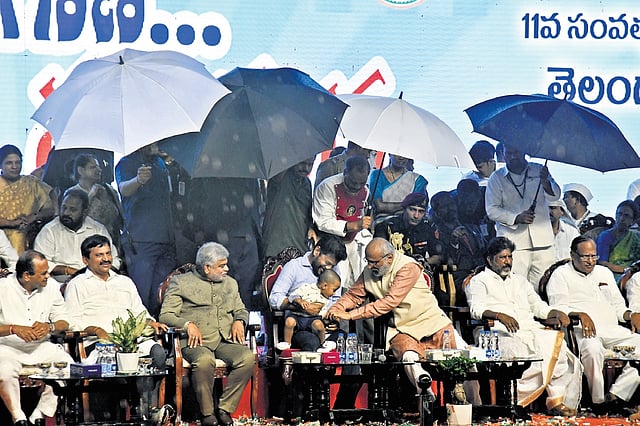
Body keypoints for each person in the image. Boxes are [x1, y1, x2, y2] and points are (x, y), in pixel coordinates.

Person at [465, 237, 583, 415]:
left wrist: (554, 313)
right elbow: (476, 309)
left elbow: (538, 306)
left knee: (558, 348)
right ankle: (511, 400)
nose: (507, 262)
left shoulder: (519, 281)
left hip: (528, 329)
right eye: (502, 257)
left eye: (510, 257)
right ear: (490, 260)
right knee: (517, 351)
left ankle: (555, 402)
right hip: (495, 333)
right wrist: (499, 316)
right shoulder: (479, 281)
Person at [326, 238, 457, 395]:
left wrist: (349, 315)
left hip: (433, 323)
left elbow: (389, 302)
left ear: (389, 257)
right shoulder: (370, 271)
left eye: (374, 262)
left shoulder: (408, 267)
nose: (369, 266)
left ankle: (475, 409)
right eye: (368, 261)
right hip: (402, 329)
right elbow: (353, 295)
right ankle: (426, 398)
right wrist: (334, 311)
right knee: (409, 357)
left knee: (465, 365)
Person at [63, 234, 168, 418]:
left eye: (108, 253)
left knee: (158, 354)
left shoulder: (124, 282)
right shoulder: (77, 285)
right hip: (98, 344)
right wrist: (96, 330)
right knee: (118, 364)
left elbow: (139, 311)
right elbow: (72, 322)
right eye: (99, 255)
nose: (106, 259)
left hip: (130, 340)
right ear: (85, 260)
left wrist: (151, 322)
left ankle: (147, 408)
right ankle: (124, 412)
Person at [159, 242, 254, 426]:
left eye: (226, 264)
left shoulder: (230, 283)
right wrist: (187, 324)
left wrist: (239, 321)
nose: (227, 269)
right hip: (196, 342)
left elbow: (241, 309)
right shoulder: (181, 282)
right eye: (221, 266)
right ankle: (207, 414)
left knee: (247, 358)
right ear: (207, 267)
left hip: (224, 339)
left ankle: (225, 408)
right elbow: (166, 315)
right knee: (204, 361)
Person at [546, 235, 640, 409]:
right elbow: (557, 308)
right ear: (573, 255)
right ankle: (598, 401)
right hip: (584, 333)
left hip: (613, 335)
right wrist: (579, 314)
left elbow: (618, 306)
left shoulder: (604, 273)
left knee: (639, 345)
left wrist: (630, 314)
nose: (590, 261)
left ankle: (616, 394)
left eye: (593, 256)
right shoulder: (561, 275)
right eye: (585, 256)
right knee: (593, 348)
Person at [0, 250, 73, 426]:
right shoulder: (2, 288)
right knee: (4, 371)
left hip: (41, 347)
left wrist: (50, 326)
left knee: (70, 368)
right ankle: (18, 418)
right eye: (43, 273)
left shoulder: (52, 287)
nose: (48, 276)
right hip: (8, 347)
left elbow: (65, 321)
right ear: (26, 276)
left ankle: (38, 415)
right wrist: (13, 329)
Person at [485, 144, 560, 287]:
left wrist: (545, 182)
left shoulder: (539, 169)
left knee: (545, 287)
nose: (513, 157)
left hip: (543, 241)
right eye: (510, 153)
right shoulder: (496, 178)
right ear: (503, 153)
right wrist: (516, 218)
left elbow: (555, 196)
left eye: (517, 152)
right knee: (516, 288)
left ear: (524, 152)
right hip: (514, 243)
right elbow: (491, 210)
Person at [116, 143, 177, 317]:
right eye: (154, 142)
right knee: (141, 294)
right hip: (141, 239)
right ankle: (142, 335)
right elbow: (124, 190)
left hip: (166, 238)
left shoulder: (159, 162)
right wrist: (138, 180)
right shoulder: (126, 163)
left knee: (162, 294)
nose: (157, 144)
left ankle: (159, 332)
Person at [187, 177, 262, 310]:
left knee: (245, 289)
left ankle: (242, 322)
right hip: (220, 233)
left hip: (247, 234)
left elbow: (255, 201)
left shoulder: (250, 166)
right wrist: (197, 230)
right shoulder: (207, 172)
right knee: (222, 286)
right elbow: (196, 200)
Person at [268, 235, 347, 351]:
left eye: (332, 265)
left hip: (322, 326)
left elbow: (335, 301)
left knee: (345, 339)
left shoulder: (333, 271)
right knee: (311, 342)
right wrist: (299, 307)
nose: (329, 268)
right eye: (327, 263)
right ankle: (318, 367)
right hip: (298, 326)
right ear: (317, 251)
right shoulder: (294, 267)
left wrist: (333, 319)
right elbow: (274, 298)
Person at [33, 189, 120, 282]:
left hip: (95, 280)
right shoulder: (49, 230)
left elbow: (114, 260)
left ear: (84, 212)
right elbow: (40, 263)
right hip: (60, 283)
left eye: (73, 210)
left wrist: (96, 274)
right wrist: (69, 271)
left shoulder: (98, 229)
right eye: (64, 208)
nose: (66, 213)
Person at [313, 155, 372, 288]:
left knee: (359, 277)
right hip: (332, 240)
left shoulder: (366, 191)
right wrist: (354, 225)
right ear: (345, 172)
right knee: (337, 281)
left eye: (361, 183)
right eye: (353, 182)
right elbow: (322, 221)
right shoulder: (327, 187)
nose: (357, 187)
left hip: (354, 239)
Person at [430, 191, 487, 305]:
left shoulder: (470, 227)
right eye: (444, 206)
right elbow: (443, 259)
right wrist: (453, 241)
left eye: (451, 204)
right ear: (437, 212)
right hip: (456, 276)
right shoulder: (436, 233)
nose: (450, 208)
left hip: (481, 271)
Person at [0, 144, 57, 254]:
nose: (14, 166)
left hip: (29, 240)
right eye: (9, 163)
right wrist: (10, 223)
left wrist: (34, 217)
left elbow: (50, 209)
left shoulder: (32, 183)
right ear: (1, 165)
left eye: (17, 162)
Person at [67, 154, 124, 253]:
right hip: (85, 247)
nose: (98, 170)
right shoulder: (71, 194)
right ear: (81, 170)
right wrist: (91, 195)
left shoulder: (108, 190)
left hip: (112, 246)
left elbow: (121, 216)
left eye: (98, 167)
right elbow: (73, 220)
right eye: (93, 167)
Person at [262, 158, 315, 260]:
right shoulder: (281, 176)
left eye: (310, 164)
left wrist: (310, 227)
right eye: (302, 163)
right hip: (276, 246)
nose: (306, 168)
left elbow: (307, 212)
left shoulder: (307, 183)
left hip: (299, 246)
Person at [277, 269, 342, 351]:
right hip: (298, 317)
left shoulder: (325, 298)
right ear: (324, 286)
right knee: (289, 322)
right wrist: (299, 301)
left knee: (321, 325)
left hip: (312, 320)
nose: (334, 294)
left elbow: (323, 312)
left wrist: (331, 319)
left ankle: (323, 343)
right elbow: (291, 297)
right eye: (334, 290)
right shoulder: (306, 288)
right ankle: (287, 343)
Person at [373, 192, 441, 267]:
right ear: (404, 208)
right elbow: (376, 256)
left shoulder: (427, 228)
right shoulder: (385, 227)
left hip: (417, 270)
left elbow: (438, 257)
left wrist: (423, 261)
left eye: (421, 211)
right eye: (412, 210)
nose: (416, 216)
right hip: (391, 269)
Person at [367, 154, 428, 223]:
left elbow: (416, 209)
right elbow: (379, 206)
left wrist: (389, 207)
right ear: (390, 154)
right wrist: (407, 205)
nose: (401, 157)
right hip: (381, 224)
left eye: (404, 154)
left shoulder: (417, 180)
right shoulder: (376, 175)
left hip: (407, 225)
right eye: (397, 154)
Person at [596, 200, 640, 278]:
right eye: (619, 214)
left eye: (626, 215)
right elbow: (602, 262)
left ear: (633, 221)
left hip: (633, 275)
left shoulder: (635, 238)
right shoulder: (605, 236)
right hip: (610, 275)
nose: (622, 218)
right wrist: (625, 270)